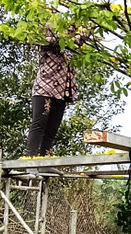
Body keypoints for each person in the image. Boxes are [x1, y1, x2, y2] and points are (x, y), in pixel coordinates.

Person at [25, 24, 87, 175]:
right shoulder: (47, 39)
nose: (72, 32)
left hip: (62, 91)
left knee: (52, 128)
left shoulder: (69, 47)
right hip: (45, 89)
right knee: (39, 124)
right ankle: (30, 161)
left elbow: (79, 40)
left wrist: (87, 30)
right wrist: (68, 34)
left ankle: (45, 161)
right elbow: (52, 40)